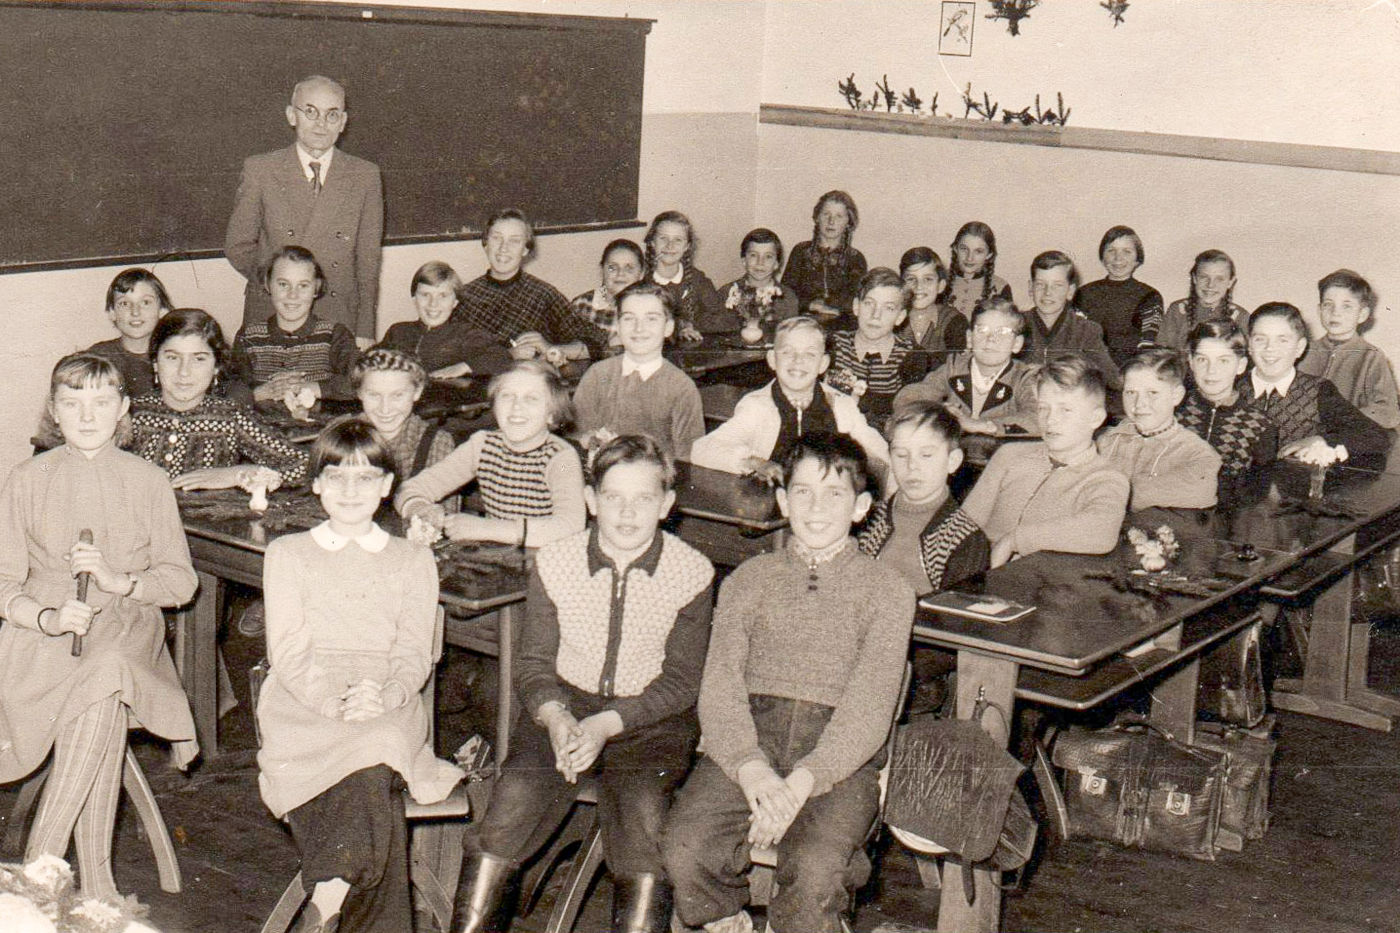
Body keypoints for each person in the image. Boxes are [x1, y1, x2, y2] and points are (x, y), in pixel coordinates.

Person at [453, 435, 715, 933]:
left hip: (650, 722)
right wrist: (555, 715)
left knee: (645, 823)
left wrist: (608, 724)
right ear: (591, 500)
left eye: (643, 498)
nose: (627, 512)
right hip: (564, 712)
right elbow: (533, 664)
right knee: (508, 812)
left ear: (667, 504)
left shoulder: (691, 572)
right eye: (613, 497)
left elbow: (682, 682)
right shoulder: (556, 561)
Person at [664, 433, 915, 933]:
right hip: (748, 740)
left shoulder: (890, 591)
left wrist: (802, 783)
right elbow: (721, 683)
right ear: (782, 500)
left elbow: (870, 706)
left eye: (835, 494)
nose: (816, 508)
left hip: (838, 757)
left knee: (818, 867)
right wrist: (751, 770)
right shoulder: (748, 579)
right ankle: (726, 923)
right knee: (685, 845)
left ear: (862, 507)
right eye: (802, 492)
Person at [0, 354, 198, 898]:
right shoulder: (26, 479)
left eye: (101, 402)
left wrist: (119, 581)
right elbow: (2, 583)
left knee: (108, 668)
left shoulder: (149, 480)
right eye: (72, 403)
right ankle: (98, 882)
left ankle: (39, 866)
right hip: (43, 635)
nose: (87, 416)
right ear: (53, 412)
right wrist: (47, 617)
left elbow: (180, 584)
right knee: (101, 698)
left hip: (127, 626)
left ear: (123, 410)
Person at [256, 418, 463, 933]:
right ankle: (335, 901)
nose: (351, 490)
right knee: (373, 784)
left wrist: (387, 693)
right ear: (317, 484)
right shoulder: (286, 553)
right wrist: (333, 703)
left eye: (367, 477)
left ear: (388, 487)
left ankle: (325, 905)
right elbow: (288, 651)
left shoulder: (414, 558)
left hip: (387, 702)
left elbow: (414, 652)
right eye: (338, 477)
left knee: (375, 754)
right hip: (304, 701)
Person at [225, 75, 383, 340]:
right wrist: (282, 285)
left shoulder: (365, 175)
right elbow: (238, 246)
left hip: (336, 317)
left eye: (332, 115)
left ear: (343, 122)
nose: (321, 124)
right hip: (271, 313)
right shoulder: (261, 169)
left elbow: (368, 263)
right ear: (291, 115)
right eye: (310, 112)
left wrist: (365, 330)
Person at [962, 355, 1130, 568]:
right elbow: (964, 525)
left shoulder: (1107, 478)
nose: (1050, 420)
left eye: (1065, 410)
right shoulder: (1009, 455)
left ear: (1095, 418)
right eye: (1043, 408)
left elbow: (1101, 530)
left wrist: (1014, 540)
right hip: (973, 572)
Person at [396, 360, 585, 547]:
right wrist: (420, 508)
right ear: (494, 407)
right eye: (507, 396)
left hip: (550, 561)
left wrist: (487, 529)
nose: (516, 406)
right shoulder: (483, 444)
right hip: (499, 559)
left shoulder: (561, 457)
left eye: (531, 398)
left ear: (552, 413)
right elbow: (409, 489)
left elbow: (570, 526)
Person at [689, 316, 890, 484]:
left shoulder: (841, 406)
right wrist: (753, 462)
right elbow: (702, 449)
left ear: (823, 364)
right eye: (787, 352)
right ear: (772, 359)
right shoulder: (758, 406)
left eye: (810, 354)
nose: (798, 360)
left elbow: (882, 456)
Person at [130, 308, 308, 489]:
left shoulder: (231, 416)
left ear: (216, 366)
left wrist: (237, 475)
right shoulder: (132, 414)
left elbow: (304, 467)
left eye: (199, 359)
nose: (184, 371)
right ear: (155, 363)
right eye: (172, 357)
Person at [856, 404, 989, 596]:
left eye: (926, 455)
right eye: (901, 455)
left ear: (952, 461)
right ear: (890, 458)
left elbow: (956, 617)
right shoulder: (865, 520)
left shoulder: (966, 540)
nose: (912, 466)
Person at [1240, 301, 1390, 467]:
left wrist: (1322, 440)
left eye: (1282, 340)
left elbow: (1376, 436)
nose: (1270, 348)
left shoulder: (1318, 390)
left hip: (1293, 490)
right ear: (1249, 345)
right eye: (1260, 339)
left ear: (1299, 347)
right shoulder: (1232, 386)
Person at [572, 281, 706, 462]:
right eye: (629, 318)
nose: (638, 328)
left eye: (651, 318)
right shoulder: (597, 375)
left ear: (668, 328)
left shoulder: (682, 388)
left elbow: (688, 459)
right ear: (617, 326)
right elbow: (577, 439)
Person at [453, 208, 608, 362]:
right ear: (485, 243)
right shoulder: (463, 297)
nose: (503, 248)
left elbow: (598, 342)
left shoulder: (543, 295)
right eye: (496, 238)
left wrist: (550, 348)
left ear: (526, 249)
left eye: (514, 240)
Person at [230, 246, 359, 408]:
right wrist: (259, 393)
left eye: (303, 285)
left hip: (320, 429)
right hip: (261, 429)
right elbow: (227, 388)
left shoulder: (335, 335)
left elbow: (360, 382)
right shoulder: (248, 337)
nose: (293, 295)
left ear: (316, 288)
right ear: (268, 284)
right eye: (283, 284)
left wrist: (313, 387)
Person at [892, 296, 1039, 436]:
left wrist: (980, 425)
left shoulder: (1024, 377)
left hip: (1002, 456)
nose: (990, 339)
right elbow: (908, 397)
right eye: (982, 330)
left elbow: (1037, 418)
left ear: (1017, 344)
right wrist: (940, 411)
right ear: (969, 338)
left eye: (1002, 332)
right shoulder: (954, 366)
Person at [1097, 347, 1222, 510]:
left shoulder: (1200, 456)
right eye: (1130, 392)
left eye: (1152, 393)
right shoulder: (1104, 441)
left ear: (1176, 395)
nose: (1139, 403)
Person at [1297, 269, 1400, 430]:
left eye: (1346, 306)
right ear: (1319, 310)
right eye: (1328, 304)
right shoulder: (1303, 351)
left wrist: (1344, 420)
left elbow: (1388, 412)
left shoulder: (1371, 357)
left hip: (1345, 439)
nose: (1335, 313)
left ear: (1362, 314)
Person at [1177, 320, 1278, 484]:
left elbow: (1260, 492)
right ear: (1191, 361)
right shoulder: (1172, 410)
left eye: (1223, 361)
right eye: (1202, 359)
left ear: (1241, 365)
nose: (1211, 370)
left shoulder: (1260, 425)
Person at [377, 262, 512, 378]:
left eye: (443, 296)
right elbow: (370, 360)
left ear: (455, 302)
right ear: (414, 299)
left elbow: (502, 356)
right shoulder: (398, 331)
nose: (433, 304)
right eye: (425, 295)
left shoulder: (465, 334)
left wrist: (463, 367)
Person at [825, 267, 920, 427]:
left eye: (888, 308)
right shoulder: (833, 344)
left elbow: (909, 413)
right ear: (856, 306)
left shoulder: (911, 355)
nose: (876, 315)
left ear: (900, 317)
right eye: (869, 303)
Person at [353, 347, 456, 489]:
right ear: (359, 393)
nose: (385, 408)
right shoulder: (339, 434)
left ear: (417, 392)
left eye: (398, 395)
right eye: (374, 395)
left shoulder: (437, 442)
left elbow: (443, 509)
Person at [1021, 250, 1121, 390]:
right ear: (1030, 288)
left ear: (1070, 291)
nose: (1048, 292)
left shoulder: (1087, 331)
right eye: (1040, 284)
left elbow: (1114, 381)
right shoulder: (1015, 325)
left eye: (1057, 285)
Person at [1075, 225, 1164, 366]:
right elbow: (1075, 340)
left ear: (1138, 258)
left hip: (1129, 372)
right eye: (1111, 251)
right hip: (1089, 372)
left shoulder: (1150, 296)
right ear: (1102, 256)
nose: (1118, 258)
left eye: (1127, 252)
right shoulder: (1083, 293)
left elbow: (1147, 346)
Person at [781, 190, 868, 325]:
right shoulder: (801, 252)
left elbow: (857, 300)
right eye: (826, 214)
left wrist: (828, 304)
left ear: (848, 222)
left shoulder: (855, 259)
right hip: (802, 324)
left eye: (839, 216)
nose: (831, 221)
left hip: (843, 327)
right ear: (817, 218)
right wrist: (811, 305)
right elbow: (785, 295)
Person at [84, 267, 174, 398]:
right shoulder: (98, 357)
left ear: (162, 310)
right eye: (124, 303)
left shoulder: (174, 356)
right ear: (112, 313)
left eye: (145, 302)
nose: (135, 312)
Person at [700, 228, 800, 337]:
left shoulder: (787, 297)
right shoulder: (726, 293)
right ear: (744, 260)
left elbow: (789, 336)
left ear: (776, 264)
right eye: (753, 255)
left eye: (768, 257)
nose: (760, 262)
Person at [643, 210, 722, 343]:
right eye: (663, 238)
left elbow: (720, 317)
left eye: (678, 240)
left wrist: (692, 325)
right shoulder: (642, 279)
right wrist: (678, 326)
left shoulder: (697, 280)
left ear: (687, 246)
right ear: (652, 242)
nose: (670, 245)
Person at [1155, 249, 1250, 351]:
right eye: (1204, 277)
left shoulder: (1240, 317)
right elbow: (1162, 352)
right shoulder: (1177, 311)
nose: (1210, 285)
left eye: (1219, 279)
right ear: (1194, 278)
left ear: (1230, 282)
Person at [569, 239, 647, 350]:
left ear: (642, 273)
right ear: (602, 270)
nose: (620, 273)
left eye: (629, 268)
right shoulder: (582, 305)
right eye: (612, 268)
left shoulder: (651, 306)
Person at [936, 221, 1012, 319]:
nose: (969, 258)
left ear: (989, 254)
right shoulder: (938, 280)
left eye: (978, 251)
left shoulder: (1000, 287)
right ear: (955, 248)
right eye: (964, 249)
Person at [899, 246, 967, 355]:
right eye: (911, 279)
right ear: (901, 286)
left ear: (940, 286)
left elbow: (958, 365)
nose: (919, 286)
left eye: (928, 279)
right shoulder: (892, 319)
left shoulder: (953, 321)